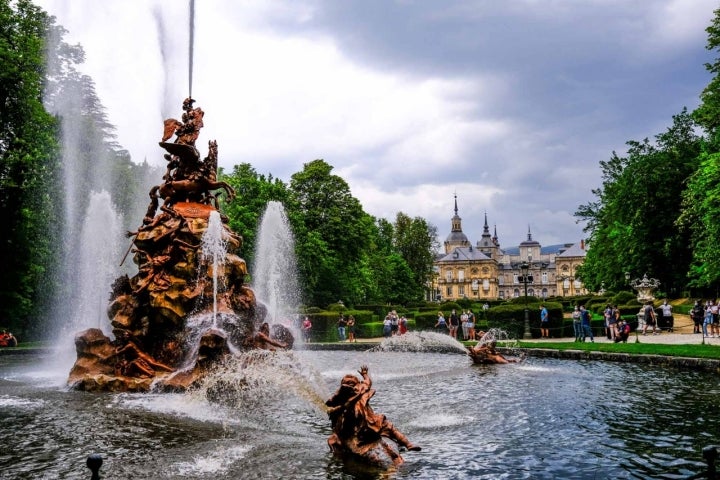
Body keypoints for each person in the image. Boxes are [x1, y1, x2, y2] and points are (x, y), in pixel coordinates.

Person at [325, 365, 420, 464]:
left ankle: (408, 444)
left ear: (357, 385)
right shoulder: (341, 398)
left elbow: (367, 383)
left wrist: (365, 375)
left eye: (352, 384)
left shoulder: (361, 392)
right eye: (347, 384)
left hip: (368, 420)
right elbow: (330, 405)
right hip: (351, 426)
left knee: (389, 426)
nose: (350, 386)